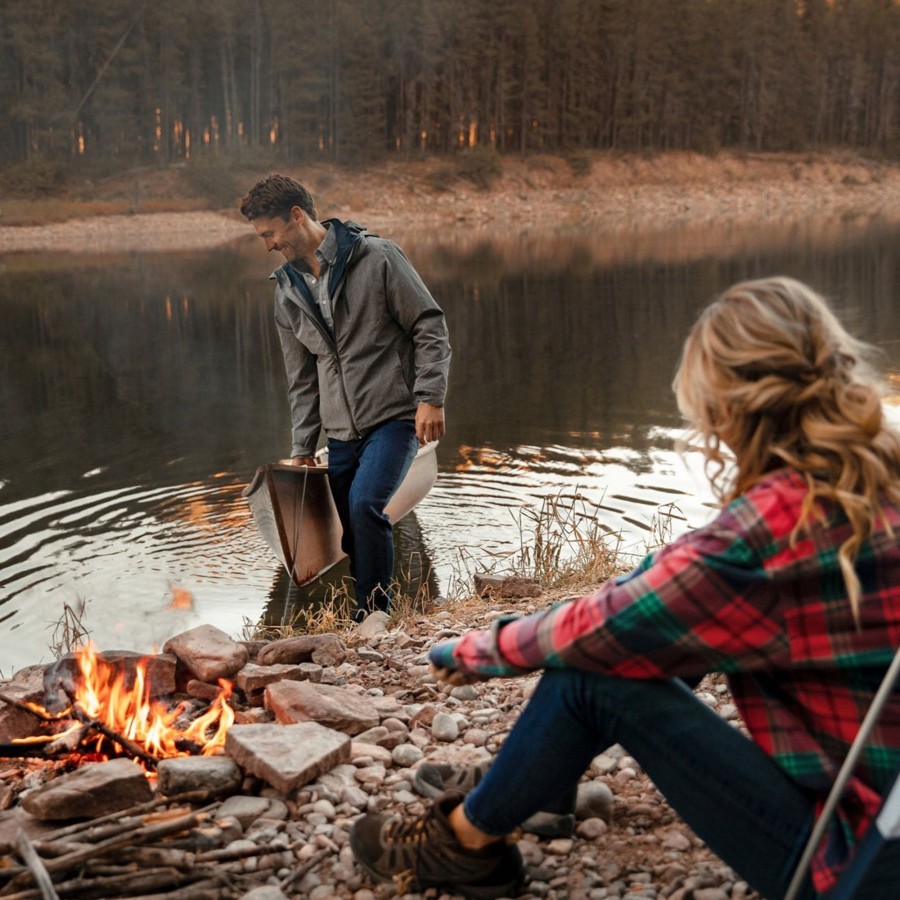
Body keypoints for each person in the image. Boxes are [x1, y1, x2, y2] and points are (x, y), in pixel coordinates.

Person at [349, 276, 900, 899]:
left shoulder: (776, 529)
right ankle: (537, 783)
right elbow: (679, 581)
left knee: (592, 671)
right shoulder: (877, 468)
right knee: (660, 626)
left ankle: (463, 844)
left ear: (728, 407)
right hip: (887, 807)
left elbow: (609, 624)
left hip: (856, 864)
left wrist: (478, 649)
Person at [239, 174, 451, 621]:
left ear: (297, 216)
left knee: (365, 504)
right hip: (339, 432)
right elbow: (301, 380)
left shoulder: (377, 257)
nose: (268, 245)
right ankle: (370, 608)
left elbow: (428, 325)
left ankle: (372, 616)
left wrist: (430, 396)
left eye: (269, 233)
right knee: (353, 531)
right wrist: (301, 450)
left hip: (393, 415)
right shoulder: (286, 294)